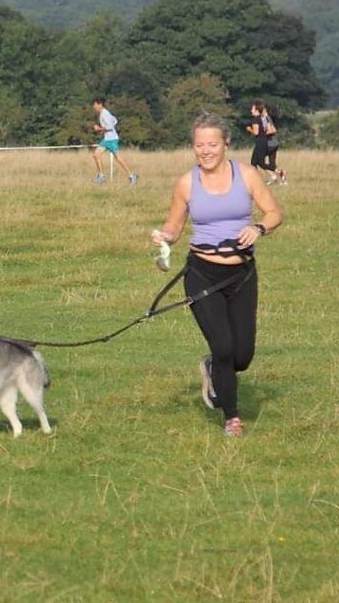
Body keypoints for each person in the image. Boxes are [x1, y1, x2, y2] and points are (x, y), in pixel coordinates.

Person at [150, 113, 283, 437]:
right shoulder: (186, 183)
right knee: (223, 345)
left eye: (212, 144)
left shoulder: (247, 175)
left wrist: (258, 227)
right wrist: (165, 237)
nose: (205, 151)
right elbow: (175, 225)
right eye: (199, 145)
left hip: (242, 276)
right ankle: (232, 418)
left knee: (242, 355)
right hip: (202, 274)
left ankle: (213, 368)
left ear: (226, 144)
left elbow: (274, 212)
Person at [90, 97, 138, 185]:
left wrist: (99, 129)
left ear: (100, 104)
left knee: (118, 158)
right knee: (96, 154)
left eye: (95, 104)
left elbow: (110, 127)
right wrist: (103, 129)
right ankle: (101, 176)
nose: (94, 106)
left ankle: (131, 176)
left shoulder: (104, 114)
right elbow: (114, 120)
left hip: (111, 139)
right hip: (107, 139)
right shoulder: (104, 113)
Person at [246, 100, 286, 185]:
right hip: (265, 142)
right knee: (254, 162)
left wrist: (250, 130)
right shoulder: (263, 119)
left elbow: (257, 132)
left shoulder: (257, 119)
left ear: (257, 110)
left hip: (263, 142)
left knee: (260, 163)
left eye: (252, 109)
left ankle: (279, 172)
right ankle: (256, 180)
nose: (251, 110)